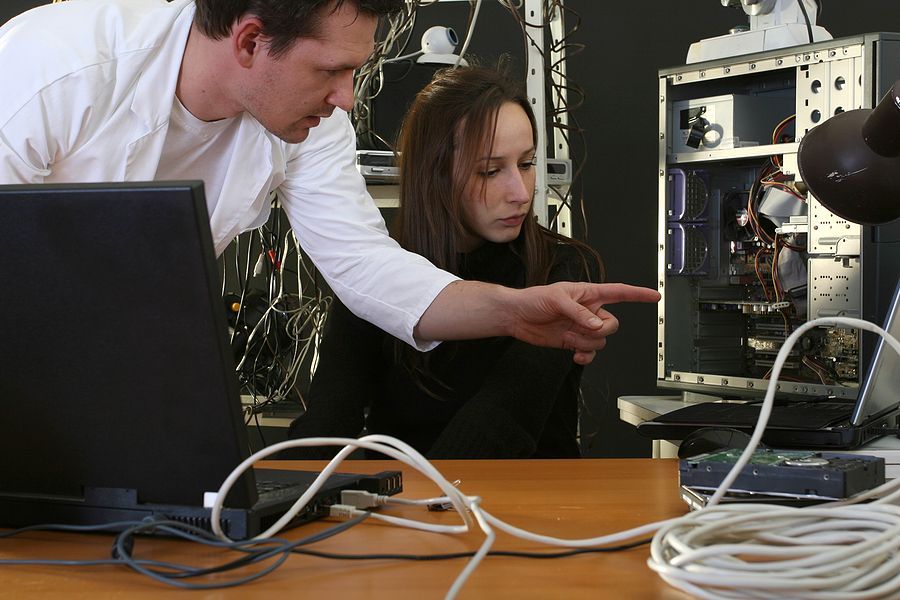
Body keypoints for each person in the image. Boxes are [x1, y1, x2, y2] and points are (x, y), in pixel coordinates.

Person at [0, 0, 659, 365]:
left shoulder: (306, 121)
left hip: (120, 359)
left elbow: (365, 266)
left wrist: (510, 311)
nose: (346, 100)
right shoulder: (53, 73)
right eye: (331, 71)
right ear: (251, 42)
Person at [285, 67, 613, 458]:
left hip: (520, 502)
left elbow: (501, 425)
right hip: (413, 504)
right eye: (491, 171)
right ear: (435, 173)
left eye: (526, 164)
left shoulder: (564, 270)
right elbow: (327, 424)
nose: (520, 193)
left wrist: (426, 508)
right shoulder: (378, 276)